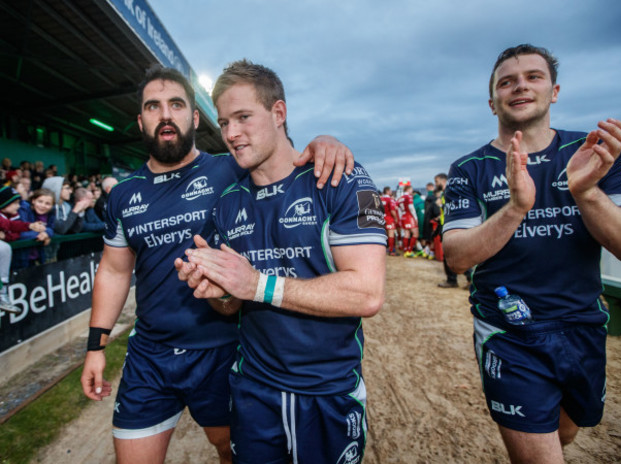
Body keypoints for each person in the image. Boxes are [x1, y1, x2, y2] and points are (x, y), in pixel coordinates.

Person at [79, 64, 356, 464]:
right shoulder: (123, 194)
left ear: (193, 117)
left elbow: (282, 154)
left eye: (176, 104)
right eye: (153, 107)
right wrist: (96, 347)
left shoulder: (231, 168)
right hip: (150, 354)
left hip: (222, 349)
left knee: (231, 452)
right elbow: (114, 270)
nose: (166, 114)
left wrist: (326, 143)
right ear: (141, 121)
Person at [442, 44, 621, 464]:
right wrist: (516, 208)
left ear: (554, 91)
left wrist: (586, 191)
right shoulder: (470, 168)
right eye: (507, 81)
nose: (520, 86)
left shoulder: (594, 151)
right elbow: (457, 257)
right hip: (509, 332)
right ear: (492, 101)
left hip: (583, 326)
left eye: (533, 77)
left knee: (566, 430)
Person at [174, 58, 385, 464]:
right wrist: (218, 292)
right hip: (253, 390)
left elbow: (367, 293)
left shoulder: (342, 178)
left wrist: (256, 285)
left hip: (327, 391)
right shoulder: (227, 204)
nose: (231, 133)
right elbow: (229, 305)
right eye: (224, 122)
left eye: (243, 117)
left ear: (279, 112)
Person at [0, 186, 46, 311]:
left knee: (4, 248)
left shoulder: (13, 215)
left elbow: (15, 233)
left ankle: (2, 293)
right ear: (5, 204)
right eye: (15, 203)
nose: (18, 206)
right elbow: (8, 225)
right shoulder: (3, 217)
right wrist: (30, 226)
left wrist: (7, 235)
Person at [437, 173, 471, 288]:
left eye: (436, 181)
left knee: (453, 254)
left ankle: (463, 277)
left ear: (442, 180)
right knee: (451, 253)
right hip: (446, 225)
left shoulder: (450, 191)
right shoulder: (446, 192)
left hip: (450, 226)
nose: (436, 184)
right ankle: (457, 279)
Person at [14, 188, 56, 269]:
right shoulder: (24, 209)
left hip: (37, 256)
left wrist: (46, 233)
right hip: (20, 258)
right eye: (40, 201)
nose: (43, 206)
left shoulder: (50, 213)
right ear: (33, 200)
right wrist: (39, 235)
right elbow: (20, 232)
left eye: (47, 203)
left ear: (52, 206)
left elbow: (51, 228)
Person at [397, 184, 419, 257]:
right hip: (409, 216)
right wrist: (415, 218)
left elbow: (397, 207)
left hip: (403, 216)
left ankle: (406, 251)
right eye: (411, 189)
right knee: (415, 233)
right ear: (408, 189)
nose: (412, 191)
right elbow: (411, 208)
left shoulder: (400, 198)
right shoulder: (408, 197)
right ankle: (410, 250)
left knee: (407, 234)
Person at [381, 186, 400, 255]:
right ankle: (391, 251)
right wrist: (396, 218)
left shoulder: (380, 199)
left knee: (385, 234)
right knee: (391, 234)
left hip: (382, 218)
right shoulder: (390, 199)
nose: (391, 192)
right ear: (388, 191)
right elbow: (392, 211)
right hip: (389, 218)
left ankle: (386, 248)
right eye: (391, 191)